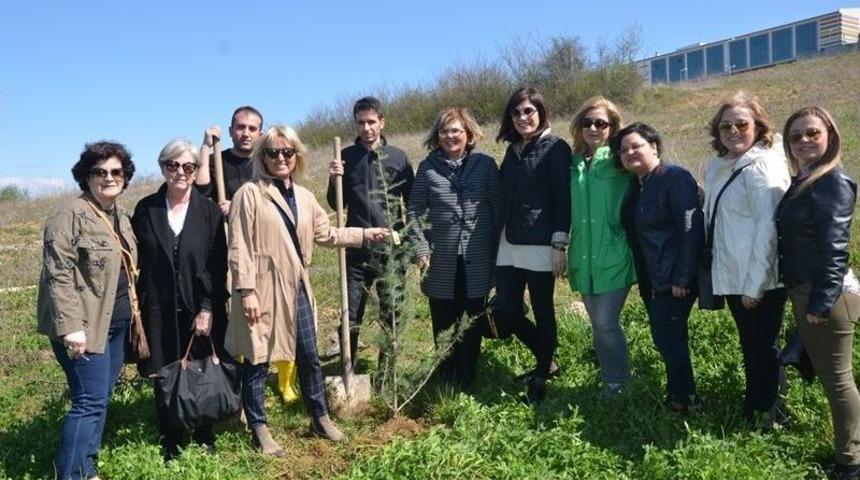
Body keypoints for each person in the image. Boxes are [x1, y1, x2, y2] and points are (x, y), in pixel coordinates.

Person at [225, 125, 388, 456]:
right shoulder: (250, 194)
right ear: (263, 157)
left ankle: (320, 417)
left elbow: (326, 234)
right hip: (261, 288)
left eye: (287, 152)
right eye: (273, 153)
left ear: (296, 157)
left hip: (297, 285)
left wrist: (364, 234)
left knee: (309, 356)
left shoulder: (305, 196)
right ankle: (259, 427)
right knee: (257, 361)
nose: (281, 158)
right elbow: (238, 246)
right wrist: (246, 291)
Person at [37, 141, 137, 480]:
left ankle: (86, 465)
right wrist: (71, 327)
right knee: (89, 402)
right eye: (99, 171)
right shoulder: (69, 214)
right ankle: (70, 473)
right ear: (86, 176)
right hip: (85, 325)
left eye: (116, 172)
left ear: (125, 177)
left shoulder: (119, 216)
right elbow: (57, 272)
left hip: (116, 323)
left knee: (99, 399)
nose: (108, 177)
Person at [776, 106, 859, 479]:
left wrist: (822, 302)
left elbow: (836, 247)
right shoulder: (805, 179)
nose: (804, 141)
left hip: (825, 294)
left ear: (830, 135)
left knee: (838, 380)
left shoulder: (832, 181)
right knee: (832, 377)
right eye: (796, 136)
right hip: (807, 289)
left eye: (812, 133)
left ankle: (851, 461)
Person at [132, 139, 228, 461]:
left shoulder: (209, 211)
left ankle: (203, 432)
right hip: (157, 305)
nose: (180, 173)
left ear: (196, 170)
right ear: (163, 168)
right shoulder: (146, 210)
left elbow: (217, 263)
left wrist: (207, 307)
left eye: (188, 166)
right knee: (163, 371)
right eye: (173, 165)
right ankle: (170, 436)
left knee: (199, 368)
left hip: (197, 304)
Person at [704, 92, 791, 428]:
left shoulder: (763, 167)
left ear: (758, 127)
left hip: (759, 279)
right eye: (726, 126)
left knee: (762, 347)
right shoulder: (720, 166)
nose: (733, 131)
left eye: (742, 124)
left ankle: (763, 413)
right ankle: (763, 405)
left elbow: (769, 230)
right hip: (734, 273)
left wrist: (755, 286)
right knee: (752, 344)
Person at [407, 107, 501, 390]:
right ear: (437, 136)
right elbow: (414, 212)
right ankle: (446, 373)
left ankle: (468, 374)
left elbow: (498, 209)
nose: (450, 136)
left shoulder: (485, 165)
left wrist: (500, 253)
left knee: (472, 317)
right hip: (441, 260)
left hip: (478, 255)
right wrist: (421, 248)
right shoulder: (427, 168)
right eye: (444, 131)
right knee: (444, 318)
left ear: (469, 133)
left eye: (456, 130)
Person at [615, 123, 703, 412]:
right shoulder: (636, 186)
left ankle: (685, 399)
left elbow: (690, 228)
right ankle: (678, 391)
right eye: (624, 150)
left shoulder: (673, 178)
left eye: (636, 146)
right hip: (652, 278)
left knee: (670, 338)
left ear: (654, 147)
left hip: (674, 278)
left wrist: (683, 276)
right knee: (664, 337)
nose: (630, 153)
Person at [495, 87, 571, 404]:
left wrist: (559, 243)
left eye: (529, 110)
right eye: (516, 112)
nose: (523, 117)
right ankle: (546, 358)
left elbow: (563, 199)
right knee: (506, 310)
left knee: (543, 310)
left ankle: (541, 374)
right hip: (508, 244)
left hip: (541, 244)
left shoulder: (556, 148)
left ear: (541, 112)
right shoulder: (512, 151)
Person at [327, 96, 414, 368]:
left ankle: (387, 371)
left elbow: (411, 203)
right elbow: (335, 202)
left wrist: (408, 242)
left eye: (371, 122)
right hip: (356, 248)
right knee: (351, 313)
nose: (366, 128)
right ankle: (348, 368)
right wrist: (333, 178)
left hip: (391, 249)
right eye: (361, 123)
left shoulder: (398, 158)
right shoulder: (346, 158)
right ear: (355, 125)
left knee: (391, 313)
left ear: (382, 122)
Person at [567, 96, 636, 395]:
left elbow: (656, 172)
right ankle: (610, 373)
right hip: (583, 254)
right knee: (598, 323)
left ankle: (619, 381)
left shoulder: (622, 158)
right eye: (587, 123)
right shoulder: (574, 163)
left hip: (615, 252)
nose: (593, 128)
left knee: (606, 321)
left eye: (601, 123)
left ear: (612, 127)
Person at [195, 105, 264, 215]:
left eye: (252, 129)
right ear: (231, 131)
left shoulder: (267, 163)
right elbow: (200, 190)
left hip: (259, 229)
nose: (246, 134)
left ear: (260, 135)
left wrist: (237, 206)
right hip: (226, 229)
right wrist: (205, 147)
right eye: (241, 127)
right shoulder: (216, 161)